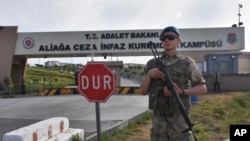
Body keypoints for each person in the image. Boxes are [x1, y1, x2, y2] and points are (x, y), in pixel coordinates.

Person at [140, 26, 207, 141]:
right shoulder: (152, 64)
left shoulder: (187, 62)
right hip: (159, 121)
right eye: (164, 38)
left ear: (178, 41)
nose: (167, 40)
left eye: (171, 37)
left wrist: (181, 92)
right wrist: (149, 75)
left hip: (179, 120)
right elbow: (143, 91)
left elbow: (203, 88)